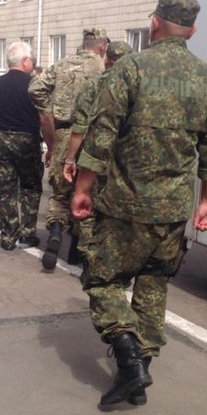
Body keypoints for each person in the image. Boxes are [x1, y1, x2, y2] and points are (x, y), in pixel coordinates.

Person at [71, 0, 207, 410]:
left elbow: (101, 135)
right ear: (192, 31)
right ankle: (138, 374)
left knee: (103, 280)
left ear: (155, 24)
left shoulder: (131, 68)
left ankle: (129, 362)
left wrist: (82, 188)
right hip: (173, 209)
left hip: (124, 205)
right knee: (153, 283)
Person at [28, 27, 107, 270]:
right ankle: (77, 251)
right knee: (86, 192)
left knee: (60, 192)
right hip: (91, 136)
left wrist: (49, 111)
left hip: (63, 134)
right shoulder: (103, 69)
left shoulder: (62, 65)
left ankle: (54, 233)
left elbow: (35, 89)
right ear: (102, 46)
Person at [62, 40, 133, 266]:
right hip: (123, 160)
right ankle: (105, 256)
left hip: (93, 156)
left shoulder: (94, 85)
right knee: (113, 208)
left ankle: (81, 252)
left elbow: (79, 129)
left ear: (107, 60)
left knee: (86, 201)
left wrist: (70, 159)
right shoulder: (137, 87)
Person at [0, 41, 44, 250]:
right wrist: (51, 146)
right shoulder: (35, 84)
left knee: (6, 188)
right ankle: (27, 233)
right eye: (31, 60)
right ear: (25, 61)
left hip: (2, 137)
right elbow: (45, 117)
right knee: (30, 187)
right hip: (28, 139)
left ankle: (8, 236)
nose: (32, 64)